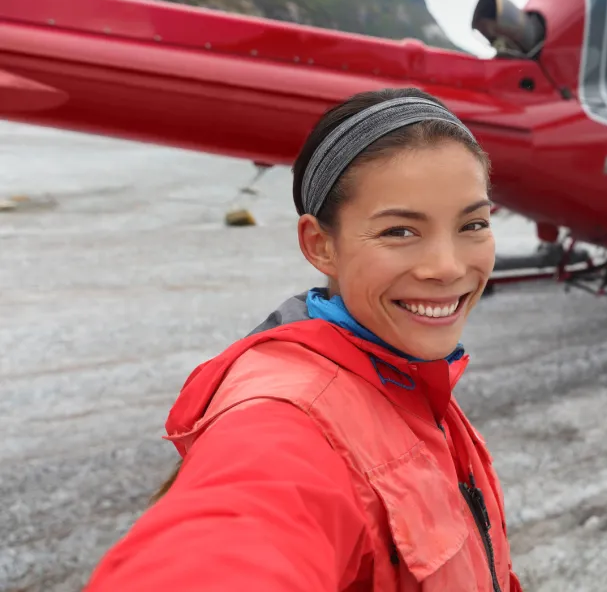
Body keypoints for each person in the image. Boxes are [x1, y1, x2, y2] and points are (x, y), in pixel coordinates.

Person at [85, 88, 522, 592]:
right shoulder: (289, 414)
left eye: (473, 224)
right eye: (399, 232)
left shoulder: (407, 370)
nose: (447, 267)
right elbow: (242, 525)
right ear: (320, 245)